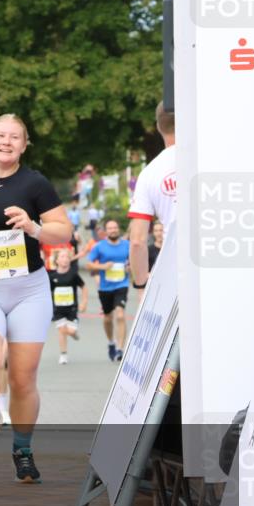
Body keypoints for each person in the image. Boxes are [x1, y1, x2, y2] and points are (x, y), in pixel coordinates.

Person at [0, 113, 72, 485]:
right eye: (0, 136)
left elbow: (63, 233)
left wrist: (34, 227)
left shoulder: (34, 183)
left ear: (24, 145)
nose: (7, 142)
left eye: (15, 137)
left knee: (23, 379)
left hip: (28, 290)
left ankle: (22, 449)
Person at [129, 102, 176, 295]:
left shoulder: (150, 173)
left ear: (158, 126)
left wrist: (141, 281)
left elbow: (138, 240)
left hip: (175, 270)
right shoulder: (210, 159)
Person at [87, 219, 131, 362]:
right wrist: (102, 267)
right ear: (106, 231)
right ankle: (111, 342)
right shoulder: (100, 247)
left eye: (115, 227)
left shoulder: (127, 245)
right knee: (107, 318)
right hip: (105, 287)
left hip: (121, 285)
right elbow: (89, 265)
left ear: (119, 229)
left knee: (119, 314)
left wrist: (130, 268)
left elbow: (134, 261)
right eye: (110, 228)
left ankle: (120, 349)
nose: (113, 230)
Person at [49, 249, 88, 365]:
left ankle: (74, 334)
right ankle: (63, 354)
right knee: (61, 330)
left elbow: (84, 287)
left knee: (70, 331)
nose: (65, 259)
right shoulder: (52, 276)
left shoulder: (73, 274)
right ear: (56, 260)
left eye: (67, 257)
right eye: (62, 257)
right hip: (58, 309)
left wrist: (84, 302)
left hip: (72, 309)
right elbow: (47, 292)